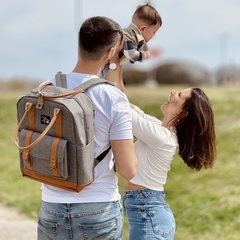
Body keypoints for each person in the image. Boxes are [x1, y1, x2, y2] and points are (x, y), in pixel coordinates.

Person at [37, 16, 138, 240]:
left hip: (51, 208)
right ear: (110, 51)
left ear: (81, 44)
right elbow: (128, 169)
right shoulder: (113, 98)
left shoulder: (46, 88)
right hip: (98, 209)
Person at [107, 55, 217, 240]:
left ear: (183, 112)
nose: (173, 92)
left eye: (180, 95)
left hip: (149, 213)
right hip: (148, 211)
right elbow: (122, 100)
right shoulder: (158, 129)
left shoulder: (161, 137)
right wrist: (117, 63)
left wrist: (113, 63)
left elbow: (117, 106)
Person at [101, 3, 162, 78]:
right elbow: (130, 54)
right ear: (143, 29)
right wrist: (145, 55)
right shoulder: (129, 36)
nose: (154, 35)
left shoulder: (135, 37)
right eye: (154, 32)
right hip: (104, 64)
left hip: (110, 63)